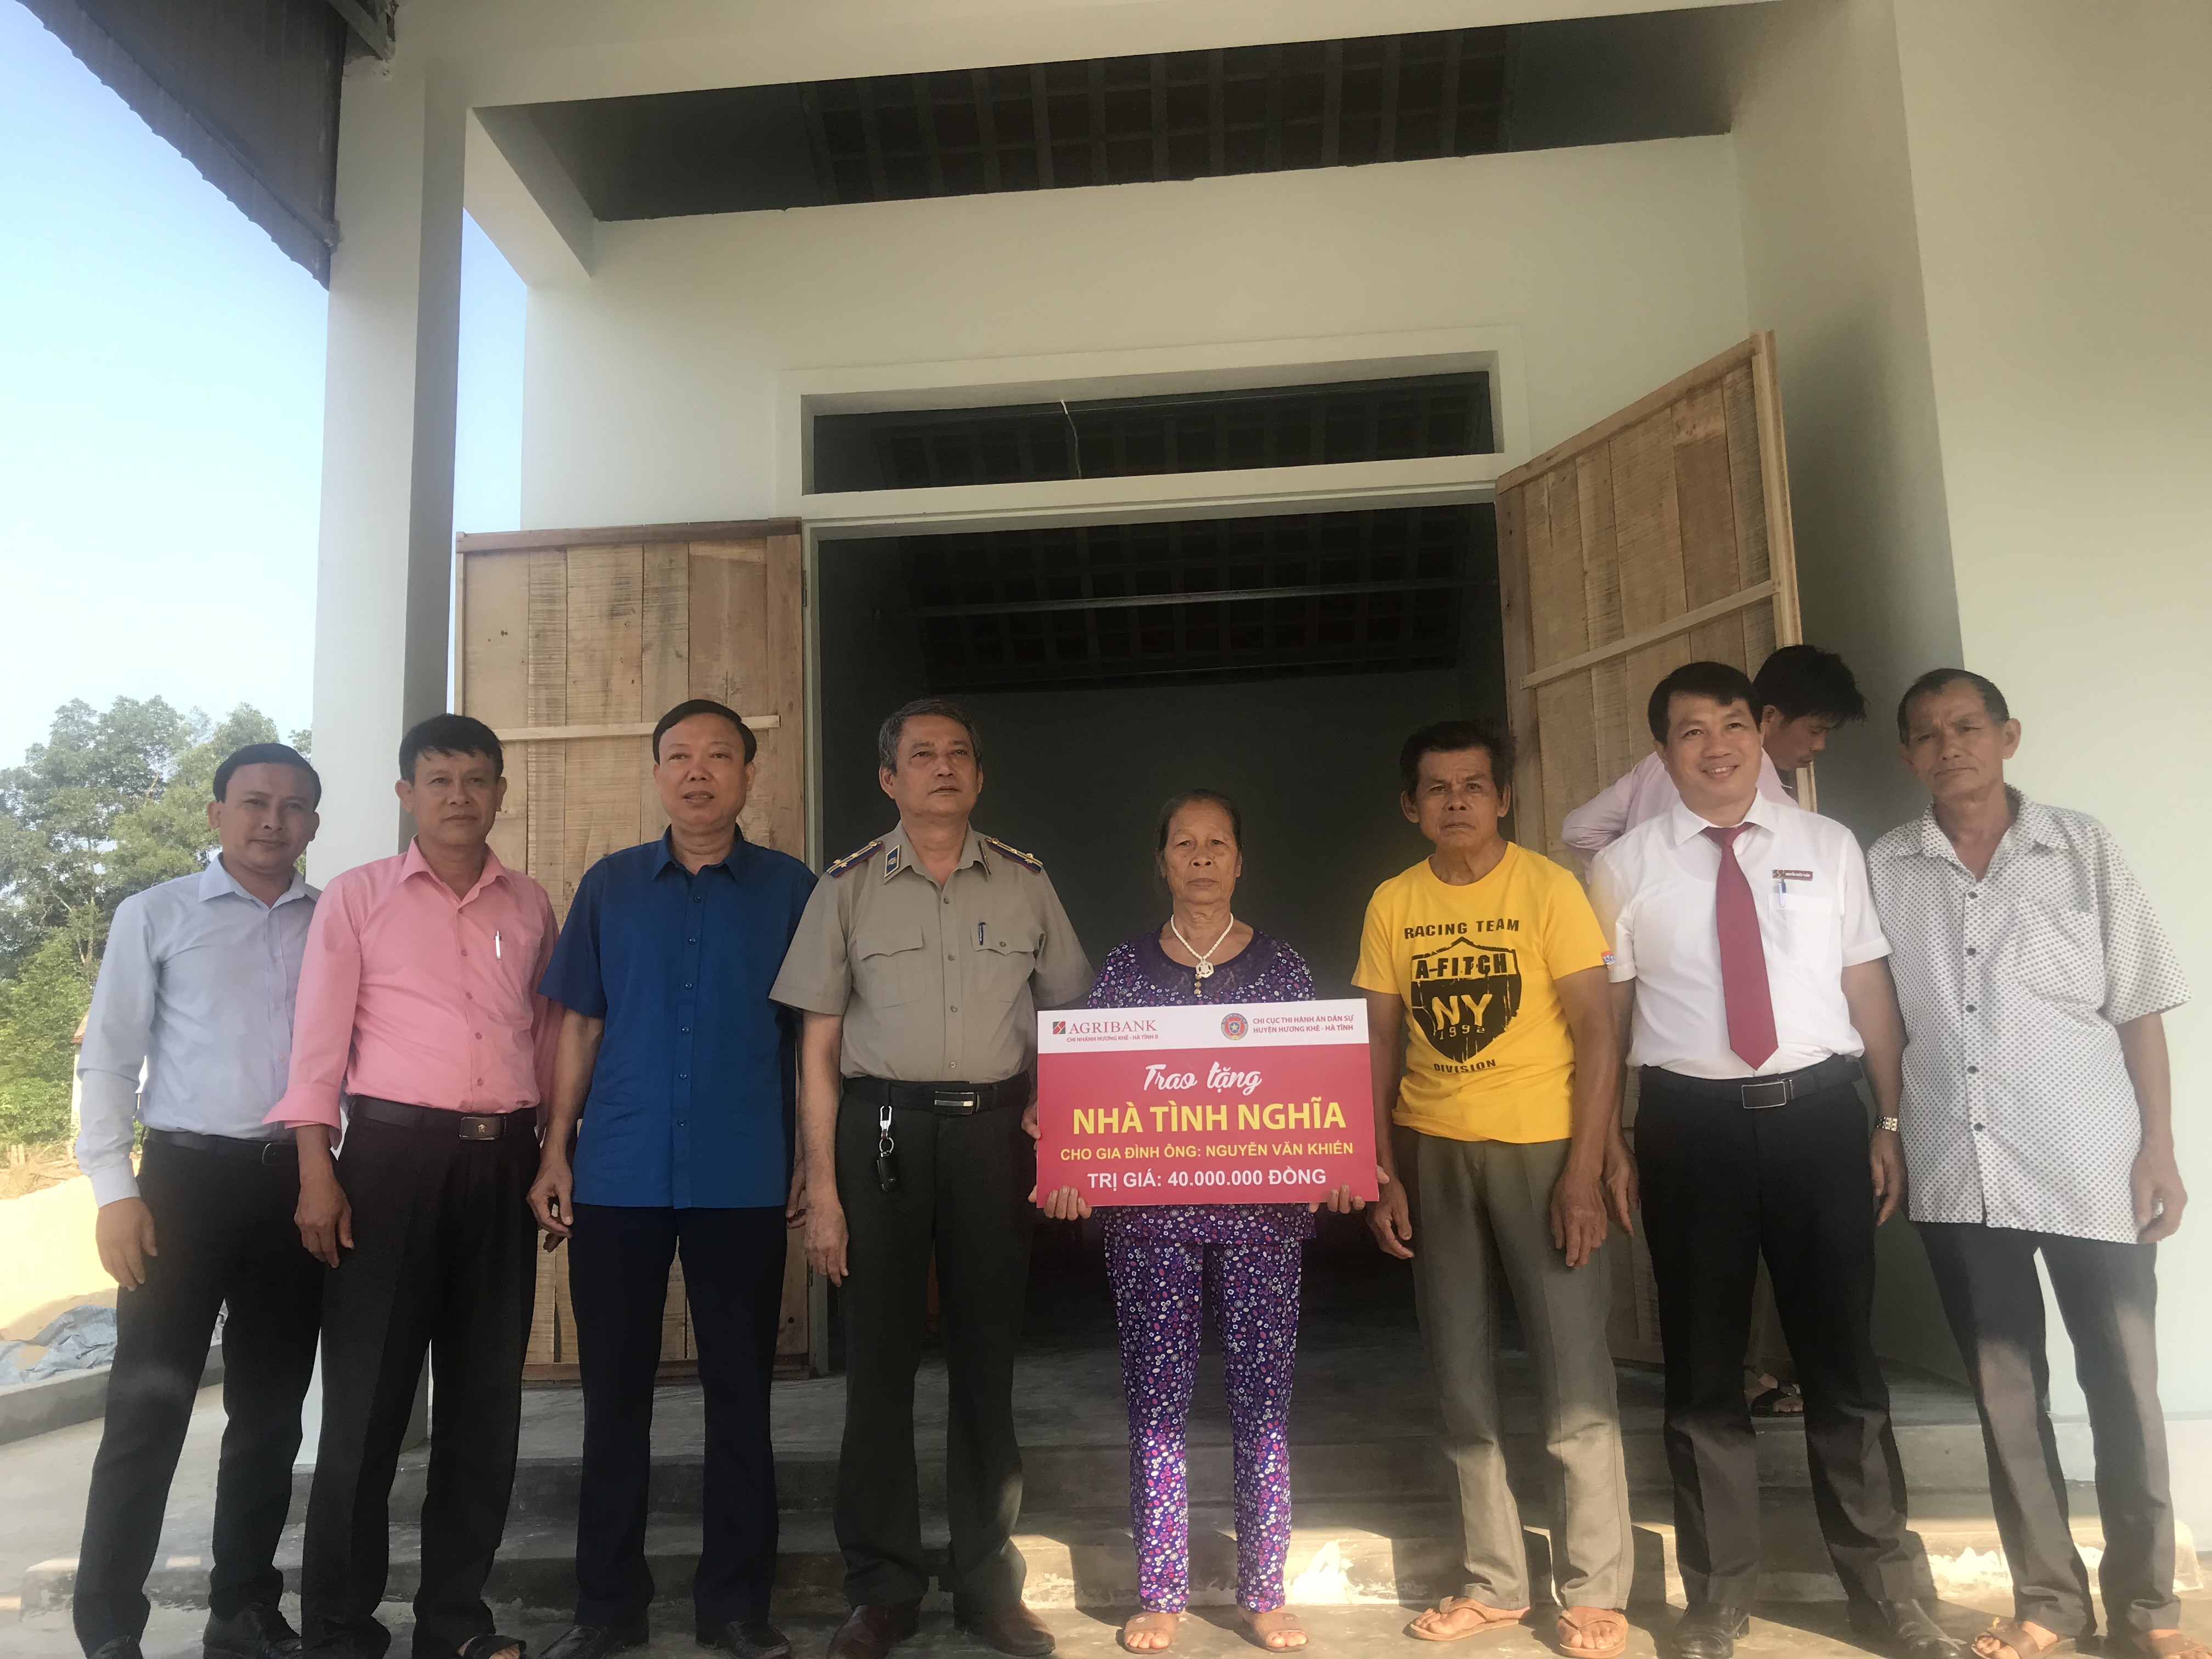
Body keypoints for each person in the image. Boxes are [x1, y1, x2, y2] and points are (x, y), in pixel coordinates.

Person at [1587, 661, 1955, 1659]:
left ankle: (1886, 1590)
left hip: (1819, 1121)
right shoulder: (1623, 866)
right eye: (1692, 730)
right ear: (1662, 752)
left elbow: (1867, 987)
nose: (1717, 746)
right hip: (1687, 1128)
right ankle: (1716, 1599)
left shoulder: (1826, 846)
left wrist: (1888, 1119)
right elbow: (1608, 1018)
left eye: (1734, 724)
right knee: (1703, 1365)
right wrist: (1608, 1139)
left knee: (1842, 1359)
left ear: (1761, 733)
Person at [1871, 670, 2199, 1659]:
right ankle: (2048, 1602)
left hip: (2091, 1156)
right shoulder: (1887, 866)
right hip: (1956, 1157)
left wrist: (2159, 1146)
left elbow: (2137, 1002)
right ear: (1907, 756)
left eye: (1966, 726)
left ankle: (2148, 1608)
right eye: (1927, 734)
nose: (1949, 746)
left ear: (2007, 736)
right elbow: (1878, 1013)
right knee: (2004, 1392)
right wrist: (1886, 1124)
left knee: (2123, 1383)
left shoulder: (2080, 847)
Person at [771, 698, 1090, 1659]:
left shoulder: (1027, 881)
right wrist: (822, 1188)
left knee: (987, 1362)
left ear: (979, 776)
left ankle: (989, 1584)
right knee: (878, 1366)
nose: (942, 767)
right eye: (921, 755)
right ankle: (882, 1588)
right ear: (889, 778)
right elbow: (816, 1047)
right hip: (881, 1135)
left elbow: (1069, 1016)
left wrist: (1056, 1106)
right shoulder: (847, 888)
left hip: (995, 1136)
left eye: (958, 754)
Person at [527, 701, 816, 1659]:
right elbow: (580, 1024)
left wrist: (813, 1158)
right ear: (657, 774)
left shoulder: (791, 890)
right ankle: (608, 1606)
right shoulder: (609, 886)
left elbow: (812, 1038)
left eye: (719, 756)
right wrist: (556, 1149)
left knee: (741, 1397)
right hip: (618, 1172)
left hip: (743, 1172)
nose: (699, 772)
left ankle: (734, 1605)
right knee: (614, 1400)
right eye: (680, 756)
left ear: (748, 774)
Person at [270, 714, 561, 1659]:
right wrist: (317, 1169)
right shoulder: (358, 899)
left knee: (484, 1406)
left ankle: (454, 1623)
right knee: (366, 1409)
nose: (458, 797)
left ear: (500, 791)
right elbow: (317, 1046)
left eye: (476, 779)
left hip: (504, 1162)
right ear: (407, 794)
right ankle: (340, 1629)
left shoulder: (530, 905)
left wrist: (554, 1154)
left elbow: (547, 1040)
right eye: (438, 780)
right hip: (389, 1164)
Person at [1352, 720, 1636, 1655]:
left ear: (1504, 798)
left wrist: (1584, 1170)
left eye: (1474, 785)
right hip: (1435, 1150)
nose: (1457, 802)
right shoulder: (1394, 902)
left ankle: (1594, 1588)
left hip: (1542, 1144)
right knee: (1460, 1373)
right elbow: (1379, 1041)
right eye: (1437, 788)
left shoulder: (1549, 889)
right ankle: (1494, 1581)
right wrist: (1381, 1167)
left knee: (1573, 1373)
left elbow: (1597, 1032)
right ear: (1411, 806)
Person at [1032, 790, 1331, 1655]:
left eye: (1218, 843)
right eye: (1184, 844)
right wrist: (1069, 1162)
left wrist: (1338, 1163)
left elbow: (1318, 1085)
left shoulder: (1284, 969)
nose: (1201, 857)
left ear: (1241, 861)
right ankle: (1161, 1590)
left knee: (1263, 1404)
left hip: (1263, 1218)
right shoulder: (1124, 972)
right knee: (1156, 1403)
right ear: (1160, 863)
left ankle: (1264, 1590)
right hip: (1150, 1220)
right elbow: (1087, 1091)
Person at [70, 744, 325, 1659]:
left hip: (296, 1185)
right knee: (148, 1406)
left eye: (292, 806)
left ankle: (243, 1607)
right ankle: (109, 1625)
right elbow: (108, 1056)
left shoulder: (333, 923)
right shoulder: (158, 913)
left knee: (270, 1412)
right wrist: (115, 1190)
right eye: (254, 801)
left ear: (313, 824)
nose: (272, 820)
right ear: (217, 813)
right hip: (183, 1184)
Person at [1560, 644, 1867, 857]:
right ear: (1767, 719)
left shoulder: (1656, 763)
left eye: (1733, 725)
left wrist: (1639, 874)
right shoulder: (1786, 818)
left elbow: (1580, 830)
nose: (1820, 745)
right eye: (1815, 730)